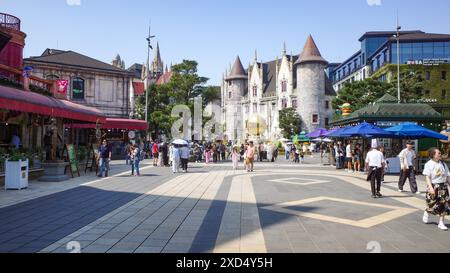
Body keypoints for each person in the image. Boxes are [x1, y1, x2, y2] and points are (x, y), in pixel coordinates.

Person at [422, 148, 450, 230]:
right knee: (432, 204)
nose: (440, 154)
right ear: (433, 155)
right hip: (434, 186)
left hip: (443, 187)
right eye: (439, 153)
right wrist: (430, 187)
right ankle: (427, 211)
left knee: (444, 204)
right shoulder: (429, 164)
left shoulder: (443, 164)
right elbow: (427, 177)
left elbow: (447, 176)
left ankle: (441, 222)